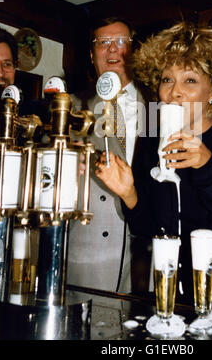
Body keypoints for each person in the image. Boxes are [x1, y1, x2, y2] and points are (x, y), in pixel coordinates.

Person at [95, 22, 212, 323]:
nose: (174, 92)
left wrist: (208, 166)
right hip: (178, 308)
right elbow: (150, 227)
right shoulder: (151, 142)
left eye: (190, 80)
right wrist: (129, 192)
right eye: (167, 79)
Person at [67, 17, 150, 294]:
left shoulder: (159, 106)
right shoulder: (69, 108)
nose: (113, 50)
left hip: (145, 260)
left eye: (121, 42)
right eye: (103, 43)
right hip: (87, 262)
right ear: (92, 55)